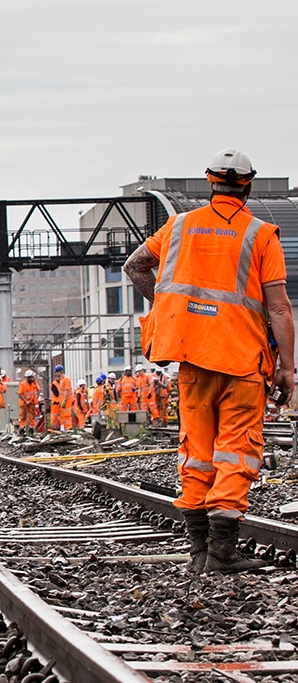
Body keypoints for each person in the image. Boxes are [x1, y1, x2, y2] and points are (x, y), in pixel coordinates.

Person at [124, 147, 294, 574]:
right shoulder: (261, 235)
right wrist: (288, 368)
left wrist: (168, 306)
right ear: (249, 185)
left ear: (209, 181)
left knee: (196, 450)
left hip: (192, 358)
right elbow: (278, 309)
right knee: (236, 450)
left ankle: (198, 548)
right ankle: (221, 551)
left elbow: (135, 267)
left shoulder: (178, 226)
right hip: (242, 360)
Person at [49, 365, 72, 430]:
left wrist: (64, 401)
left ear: (60, 372)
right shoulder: (61, 380)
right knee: (64, 417)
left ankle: (68, 428)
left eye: (57, 372)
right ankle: (65, 428)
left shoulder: (66, 379)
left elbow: (67, 390)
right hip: (62, 402)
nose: (56, 374)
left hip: (66, 402)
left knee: (67, 416)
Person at [17, 370, 39, 435]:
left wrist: (35, 399)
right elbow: (20, 393)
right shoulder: (23, 384)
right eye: (32, 377)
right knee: (23, 416)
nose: (33, 378)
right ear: (28, 377)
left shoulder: (34, 383)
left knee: (32, 416)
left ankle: (31, 429)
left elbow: (38, 390)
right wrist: (26, 401)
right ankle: (22, 429)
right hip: (24, 403)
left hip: (31, 403)